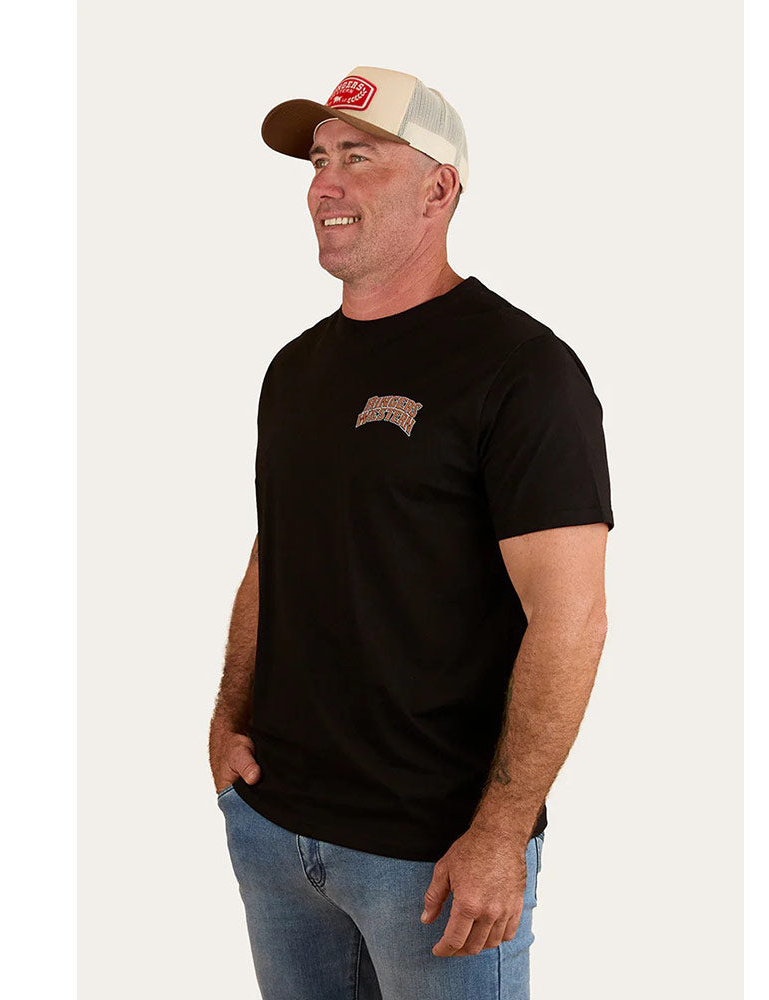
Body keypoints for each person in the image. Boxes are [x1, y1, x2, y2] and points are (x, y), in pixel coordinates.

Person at [208, 65, 614, 1000]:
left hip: (432, 859)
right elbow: (277, 552)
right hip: (276, 832)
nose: (325, 184)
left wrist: (501, 831)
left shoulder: (523, 371)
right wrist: (229, 720)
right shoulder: (295, 369)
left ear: (439, 189)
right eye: (318, 160)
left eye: (359, 157)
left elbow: (571, 618)